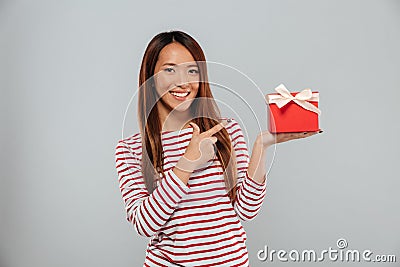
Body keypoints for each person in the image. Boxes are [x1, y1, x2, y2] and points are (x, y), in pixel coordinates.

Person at [114, 30, 320, 267]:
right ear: (150, 78)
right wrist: (187, 164)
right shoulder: (130, 150)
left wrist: (262, 146)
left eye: (192, 70)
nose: (183, 82)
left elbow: (246, 210)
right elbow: (145, 224)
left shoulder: (227, 131)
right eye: (169, 70)